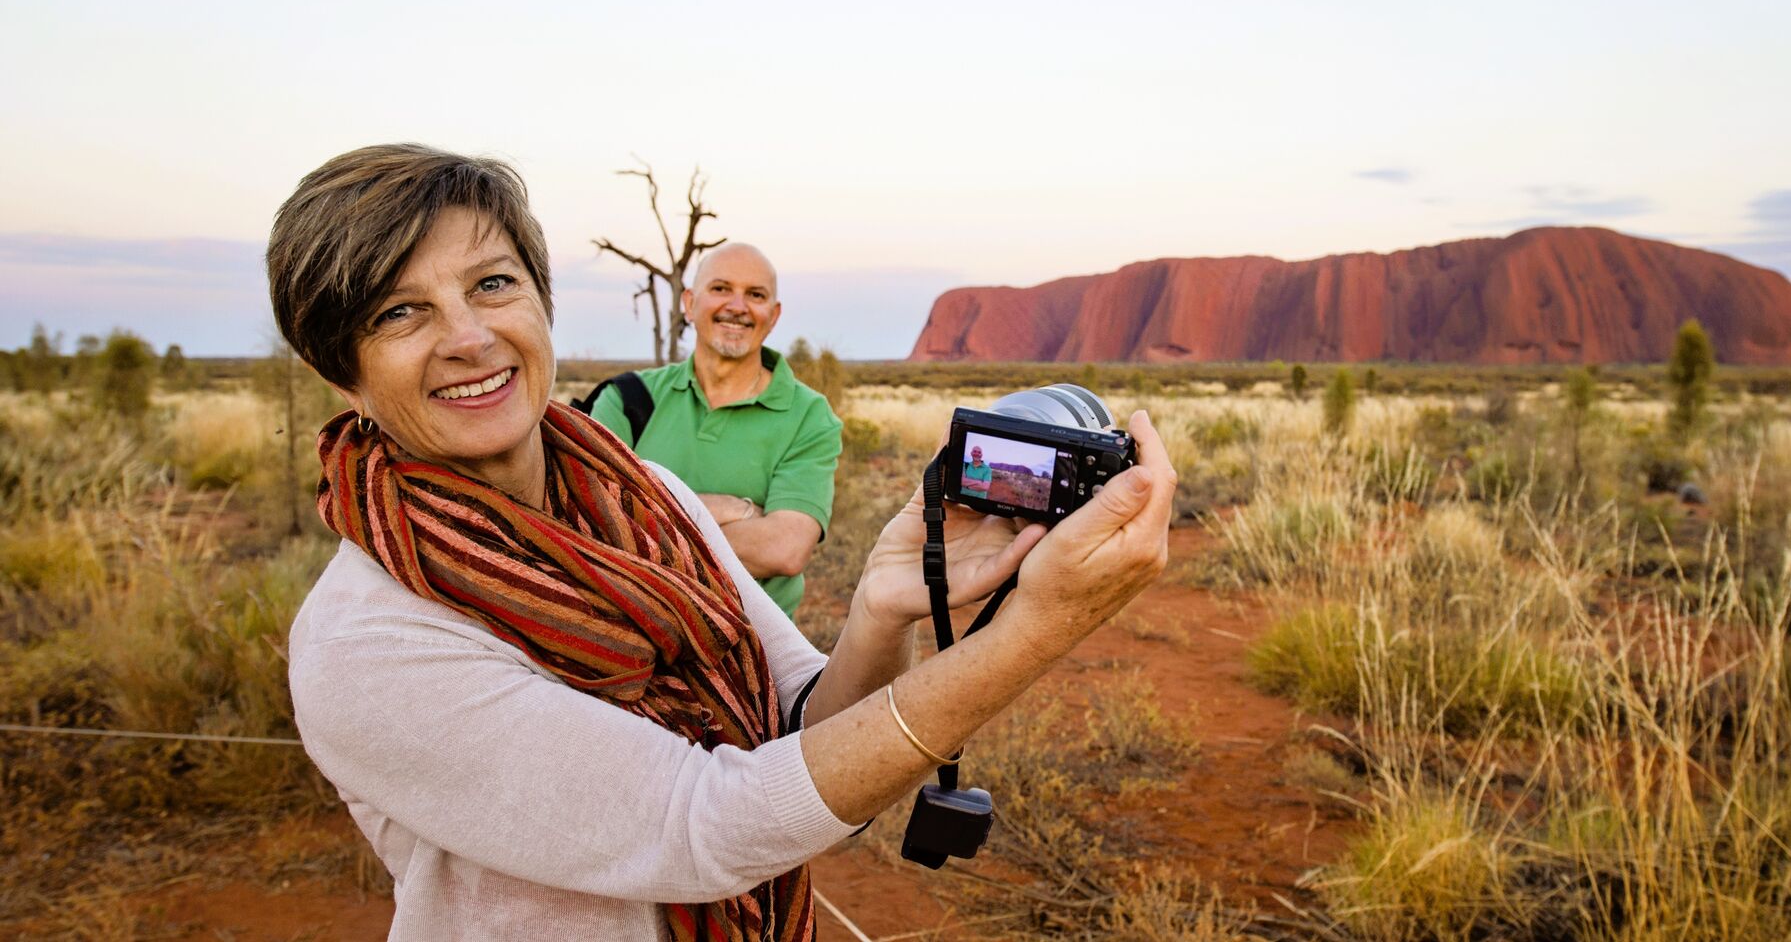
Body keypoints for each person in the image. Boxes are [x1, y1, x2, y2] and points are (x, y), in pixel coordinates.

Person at [268, 144, 1176, 941]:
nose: (468, 337)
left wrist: (882, 603)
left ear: (541, 301)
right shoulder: (366, 641)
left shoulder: (648, 497)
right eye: (399, 312)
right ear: (344, 374)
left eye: (492, 284)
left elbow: (802, 736)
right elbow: (710, 827)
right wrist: (1033, 633)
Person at [587, 243, 836, 618]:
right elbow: (593, 520)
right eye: (721, 288)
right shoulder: (626, 399)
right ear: (689, 303)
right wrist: (735, 511)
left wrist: (644, 518)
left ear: (773, 315)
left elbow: (784, 549)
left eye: (755, 295)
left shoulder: (809, 415)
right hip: (630, 631)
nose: (737, 306)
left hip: (754, 642)